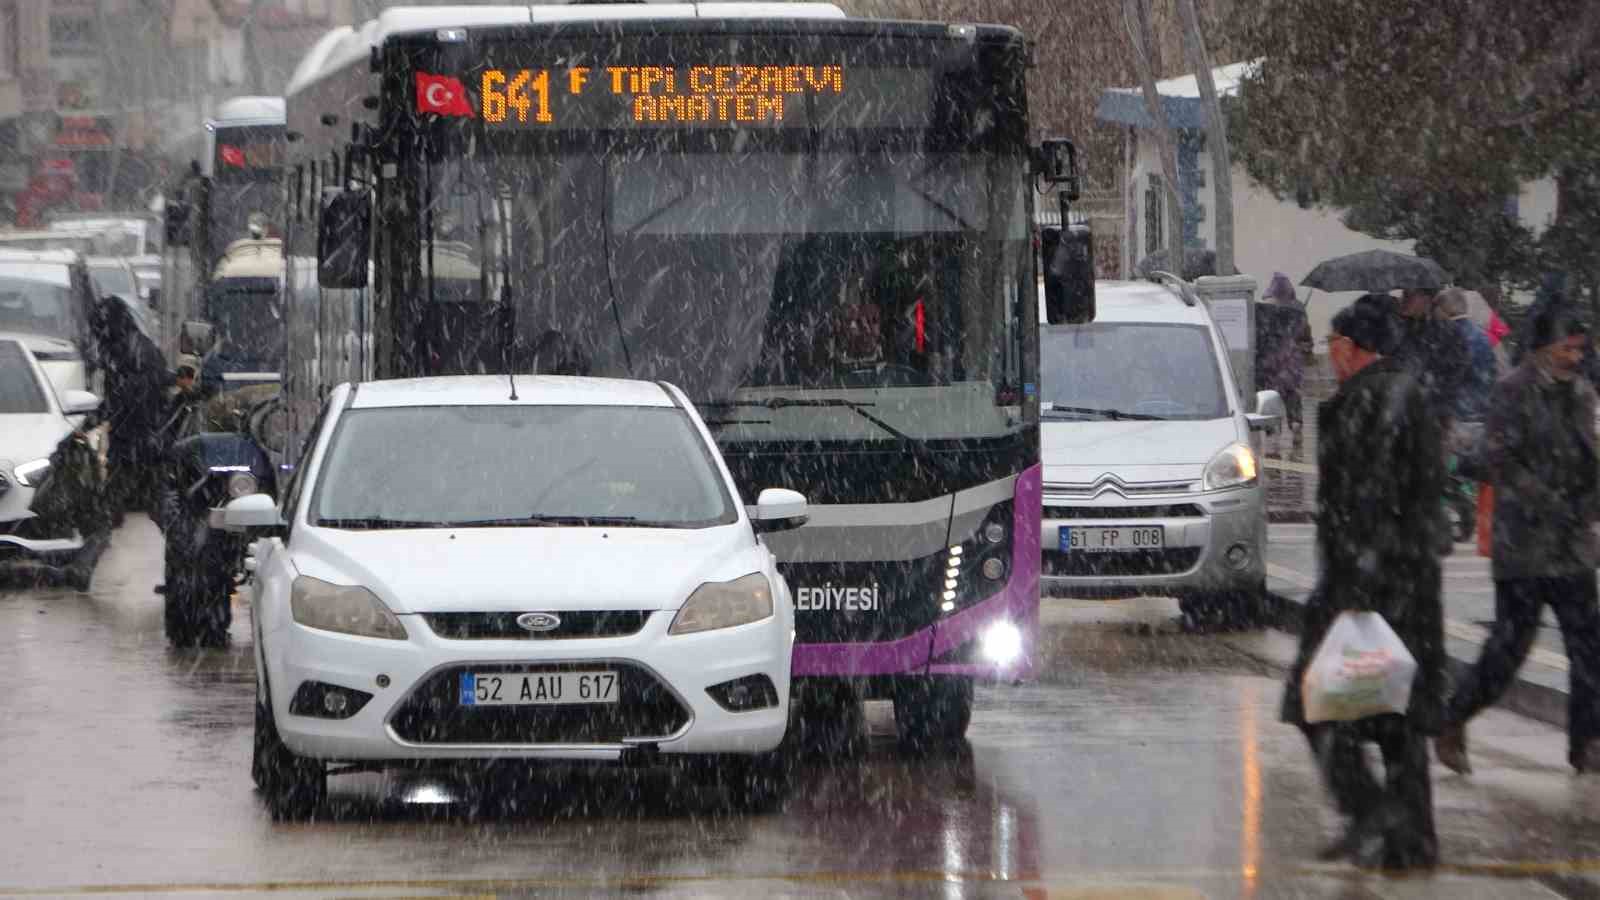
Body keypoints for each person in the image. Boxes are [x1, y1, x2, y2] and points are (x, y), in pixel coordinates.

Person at [1281, 293, 1447, 870]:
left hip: (1366, 585)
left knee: (1317, 708)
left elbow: (1362, 502)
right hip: (1411, 584)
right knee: (1397, 720)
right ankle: (1411, 840)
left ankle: (1371, 813)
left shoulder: (1364, 403)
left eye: (1333, 345)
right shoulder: (1413, 393)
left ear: (1353, 348)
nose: (1329, 355)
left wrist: (1353, 591)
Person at [1435, 305, 1600, 775]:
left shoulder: (1582, 395)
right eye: (1566, 348)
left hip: (1572, 546)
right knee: (1509, 648)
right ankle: (1454, 717)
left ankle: (1587, 743)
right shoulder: (1513, 391)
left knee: (1589, 648)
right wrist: (1548, 502)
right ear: (1543, 348)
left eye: (1579, 349)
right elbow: (1500, 460)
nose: (1574, 357)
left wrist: (1588, 505)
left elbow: (1588, 457)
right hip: (1524, 545)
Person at [1391, 286, 1470, 430]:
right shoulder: (1401, 327)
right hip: (1400, 416)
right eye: (1404, 293)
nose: (1403, 298)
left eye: (1409, 294)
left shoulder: (1449, 332)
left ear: (1427, 299)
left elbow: (1454, 378)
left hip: (1430, 419)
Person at [1433, 288, 1496, 449]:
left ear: (1444, 309)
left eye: (1436, 309)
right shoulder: (1482, 336)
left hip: (1455, 416)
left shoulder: (1449, 335)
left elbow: (1444, 379)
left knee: (1448, 464)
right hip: (1479, 413)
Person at [1256, 273, 1313, 447]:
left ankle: (1273, 432)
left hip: (1271, 360)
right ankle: (1296, 422)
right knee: (1292, 395)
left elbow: (1261, 336)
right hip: (1292, 361)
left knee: (1270, 397)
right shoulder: (1298, 311)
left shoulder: (1266, 309)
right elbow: (1306, 338)